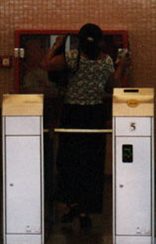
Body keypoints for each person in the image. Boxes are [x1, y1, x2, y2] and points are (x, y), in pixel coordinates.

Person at [41, 23, 131, 232]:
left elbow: (46, 65)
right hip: (95, 115)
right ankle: (85, 209)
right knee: (92, 163)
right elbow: (114, 86)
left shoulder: (73, 57)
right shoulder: (106, 61)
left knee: (68, 161)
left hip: (73, 115)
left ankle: (72, 203)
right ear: (100, 41)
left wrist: (57, 44)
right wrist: (121, 66)